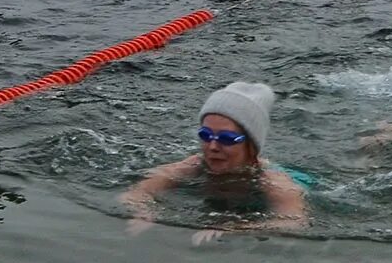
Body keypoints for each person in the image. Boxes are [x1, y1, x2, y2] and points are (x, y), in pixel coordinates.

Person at [119, 82, 308, 241]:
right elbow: (137, 192)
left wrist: (236, 228)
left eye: (226, 138)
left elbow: (293, 223)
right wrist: (144, 211)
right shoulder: (192, 165)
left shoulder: (275, 182)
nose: (213, 146)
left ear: (251, 146)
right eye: (205, 135)